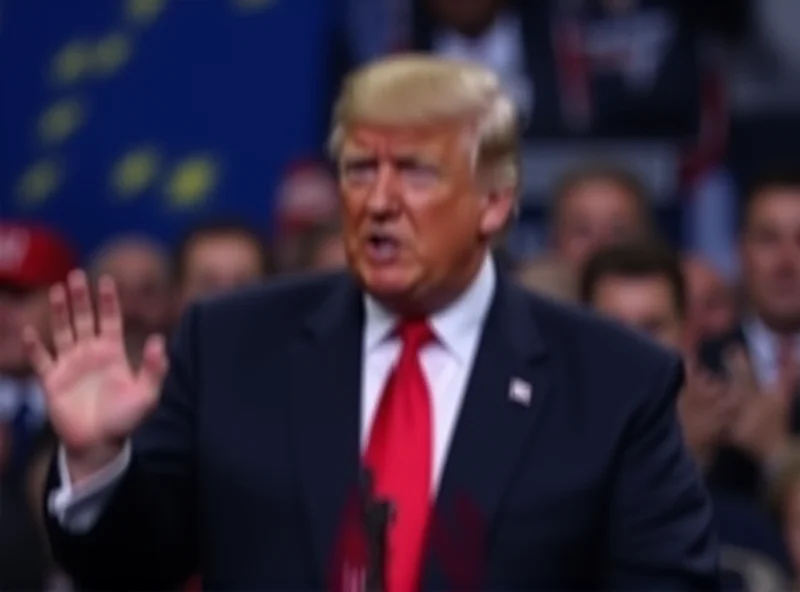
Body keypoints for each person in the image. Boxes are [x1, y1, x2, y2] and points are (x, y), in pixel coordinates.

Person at [34, 55, 718, 590]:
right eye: (360, 169)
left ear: (493, 203)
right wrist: (97, 463)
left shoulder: (614, 382)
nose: (379, 201)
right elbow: (131, 569)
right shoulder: (232, 347)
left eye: (416, 172)